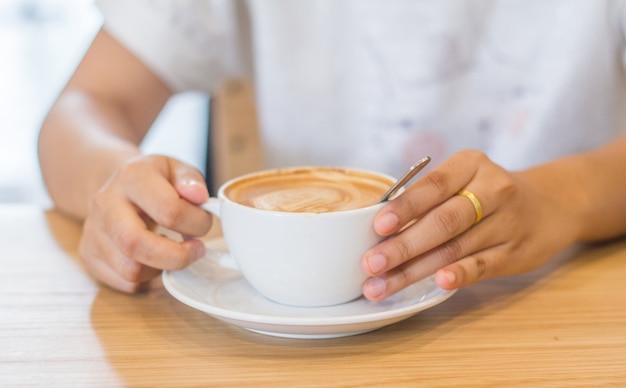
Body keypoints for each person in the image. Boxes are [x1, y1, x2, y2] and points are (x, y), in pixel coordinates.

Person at [38, 0, 626, 301]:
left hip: (558, 305)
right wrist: (115, 183)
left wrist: (563, 196)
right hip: (287, 363)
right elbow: (83, 106)